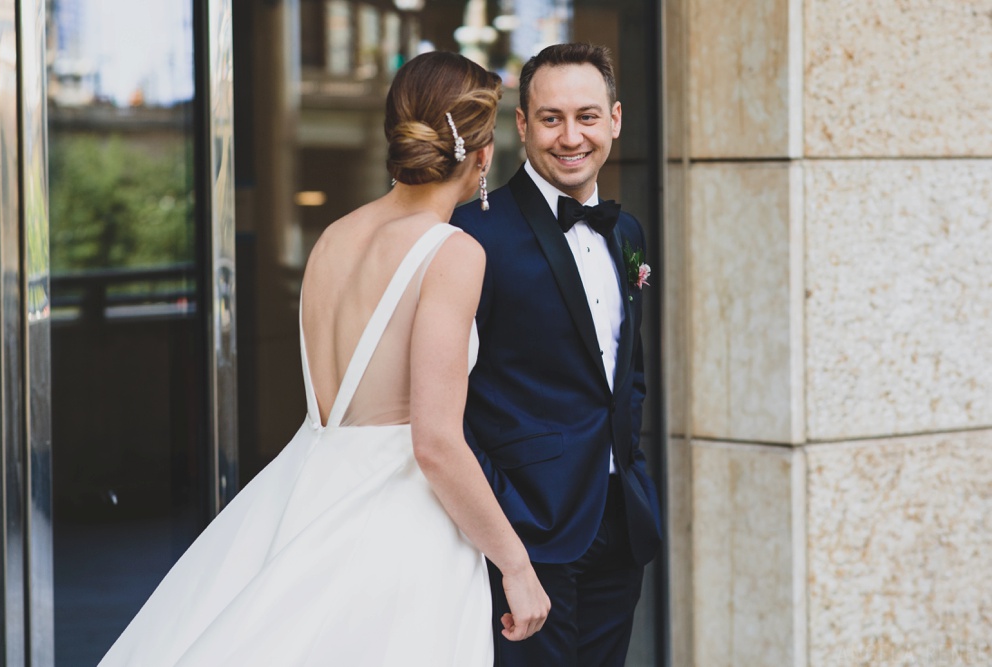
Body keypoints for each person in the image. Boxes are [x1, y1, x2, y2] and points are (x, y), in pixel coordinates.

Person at [99, 51, 548, 667]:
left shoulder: (334, 237)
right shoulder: (453, 251)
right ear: (481, 153)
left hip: (302, 490)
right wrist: (516, 565)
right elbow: (436, 442)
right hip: (398, 523)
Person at [450, 42, 662, 666]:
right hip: (526, 532)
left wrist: (633, 466)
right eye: (551, 118)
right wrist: (505, 520)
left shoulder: (627, 233)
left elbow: (628, 372)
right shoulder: (472, 235)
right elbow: (443, 402)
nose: (571, 137)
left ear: (616, 120)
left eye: (588, 117)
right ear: (522, 124)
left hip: (620, 523)